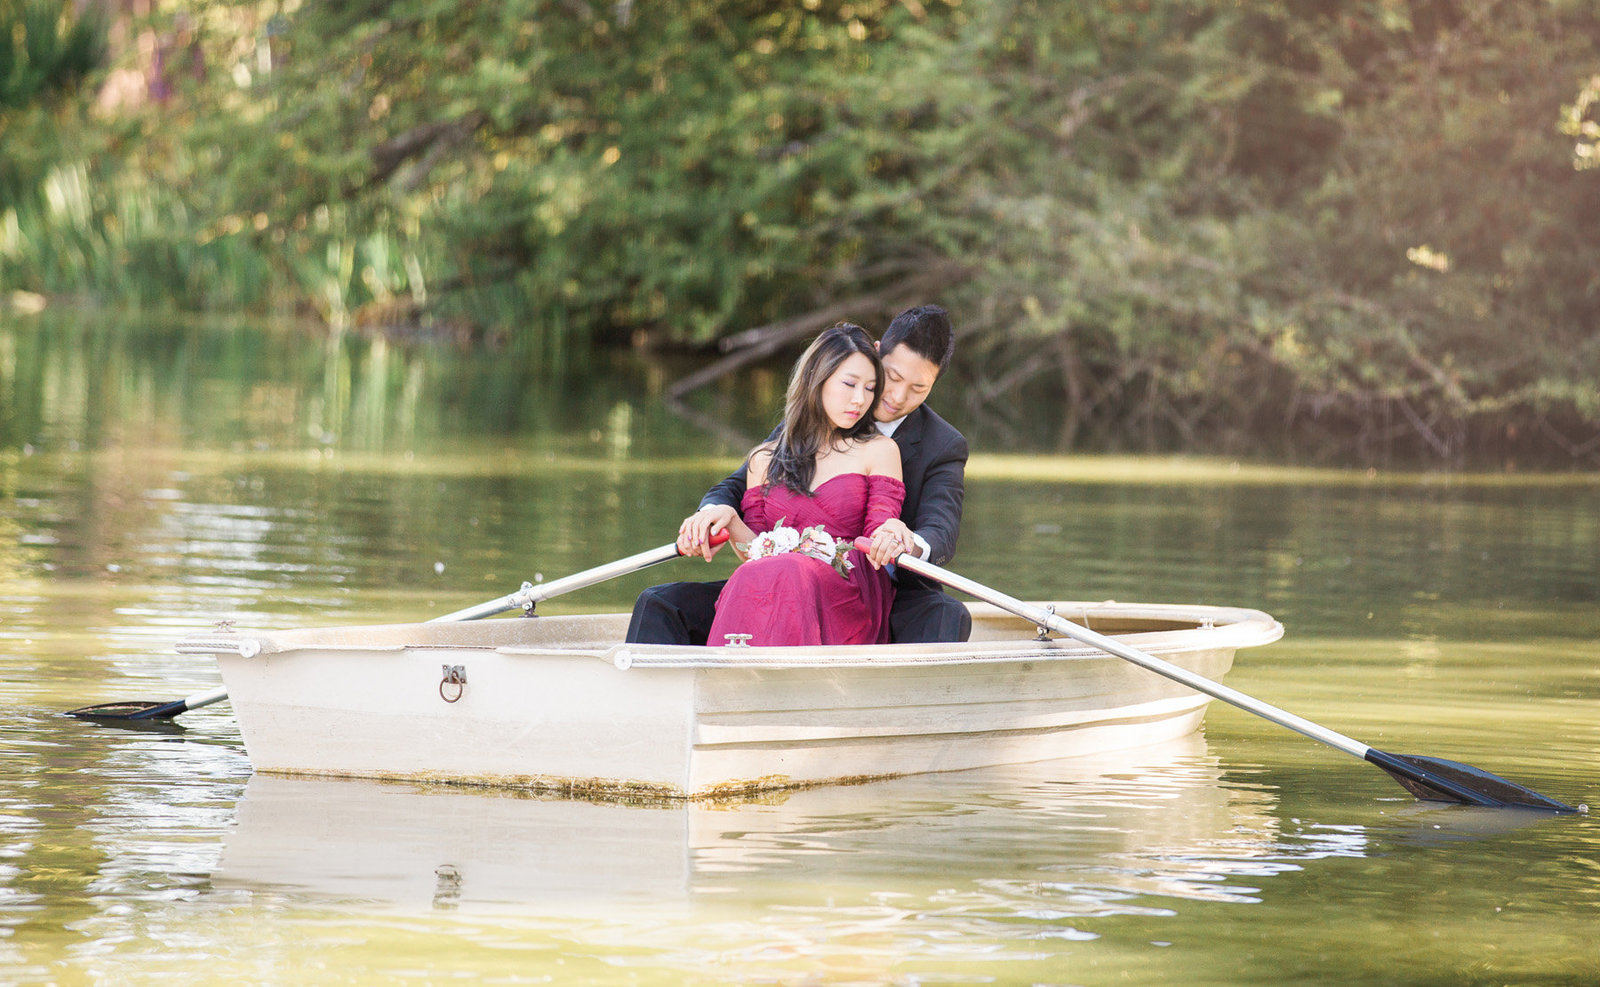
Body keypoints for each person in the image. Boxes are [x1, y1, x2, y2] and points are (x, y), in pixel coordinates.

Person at [628, 304, 970, 646]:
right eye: (892, 377)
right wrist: (712, 515)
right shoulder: (805, 426)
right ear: (876, 353)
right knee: (659, 603)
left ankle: (912, 695)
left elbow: (940, 529)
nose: (896, 396)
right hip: (779, 575)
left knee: (947, 614)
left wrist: (904, 540)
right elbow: (742, 485)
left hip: (879, 586)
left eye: (918, 388)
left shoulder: (942, 445)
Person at [702, 323, 905, 646]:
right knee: (753, 574)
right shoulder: (763, 459)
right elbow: (756, 555)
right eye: (850, 384)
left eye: (869, 388)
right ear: (816, 380)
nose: (860, 399)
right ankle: (732, 674)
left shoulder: (878, 450)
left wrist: (891, 532)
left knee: (792, 571)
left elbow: (877, 533)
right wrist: (730, 519)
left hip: (849, 592)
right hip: (785, 589)